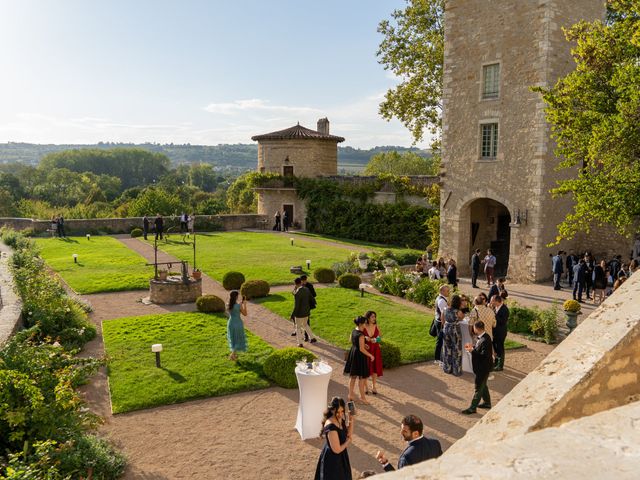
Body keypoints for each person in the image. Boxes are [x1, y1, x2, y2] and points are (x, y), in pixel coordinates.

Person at [375, 415, 442, 471]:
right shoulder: (435, 443)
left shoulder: (406, 456)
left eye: (405, 431)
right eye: (401, 429)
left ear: (416, 433)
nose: (401, 432)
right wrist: (385, 462)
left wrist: (386, 465)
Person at [315, 396, 353, 480]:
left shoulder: (340, 419)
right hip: (332, 460)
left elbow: (348, 434)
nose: (340, 414)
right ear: (332, 410)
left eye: (342, 411)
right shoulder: (330, 426)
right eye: (337, 412)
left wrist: (351, 419)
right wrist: (348, 441)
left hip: (341, 457)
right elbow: (337, 449)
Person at [462, 320, 494, 414]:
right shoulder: (484, 337)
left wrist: (472, 351)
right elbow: (480, 350)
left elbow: (484, 355)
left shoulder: (485, 340)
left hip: (483, 368)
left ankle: (473, 407)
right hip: (482, 367)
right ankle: (487, 403)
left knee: (478, 387)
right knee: (483, 385)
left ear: (476, 328)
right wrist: (473, 348)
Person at [344, 316, 375, 405]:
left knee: (353, 376)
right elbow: (361, 349)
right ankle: (362, 398)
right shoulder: (361, 335)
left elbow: (351, 340)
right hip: (359, 356)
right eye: (365, 323)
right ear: (361, 324)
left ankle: (350, 395)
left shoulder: (354, 330)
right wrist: (370, 355)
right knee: (362, 378)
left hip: (353, 353)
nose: (366, 324)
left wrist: (363, 344)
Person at [442, 294, 464, 376]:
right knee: (457, 349)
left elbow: (442, 319)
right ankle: (456, 370)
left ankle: (447, 368)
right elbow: (461, 318)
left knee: (447, 349)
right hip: (455, 330)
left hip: (446, 328)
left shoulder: (445, 309)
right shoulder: (458, 311)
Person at [291, 277, 317, 347]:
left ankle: (300, 343)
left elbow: (297, 305)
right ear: (301, 282)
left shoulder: (297, 293)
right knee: (305, 325)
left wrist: (293, 314)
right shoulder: (307, 289)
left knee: (298, 327)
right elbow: (312, 298)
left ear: (295, 284)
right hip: (307, 311)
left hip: (299, 313)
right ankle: (312, 338)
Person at [363, 311, 383, 395]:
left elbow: (380, 337)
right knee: (365, 368)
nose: (374, 318)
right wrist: (364, 337)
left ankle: (374, 386)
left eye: (375, 316)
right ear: (368, 318)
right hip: (366, 350)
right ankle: (366, 387)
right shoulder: (363, 326)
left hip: (375, 350)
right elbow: (355, 335)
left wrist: (376, 339)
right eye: (372, 317)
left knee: (375, 368)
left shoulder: (376, 326)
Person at [226, 290, 247, 361]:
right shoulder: (239, 305)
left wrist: (240, 305)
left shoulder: (228, 304)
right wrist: (244, 304)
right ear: (236, 297)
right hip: (238, 323)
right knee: (238, 339)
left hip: (231, 323)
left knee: (233, 339)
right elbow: (245, 314)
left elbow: (234, 309)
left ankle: (234, 356)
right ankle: (232, 355)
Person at [491, 294, 509, 371]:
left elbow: (503, 321)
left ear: (497, 301)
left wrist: (494, 314)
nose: (491, 303)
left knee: (500, 348)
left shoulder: (505, 309)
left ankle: (500, 366)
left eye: (493, 301)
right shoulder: (496, 307)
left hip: (501, 332)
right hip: (494, 332)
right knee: (495, 348)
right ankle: (496, 362)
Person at [433, 285, 450, 365]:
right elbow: (444, 314)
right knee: (440, 341)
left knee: (440, 340)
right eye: (447, 291)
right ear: (442, 291)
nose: (448, 292)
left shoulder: (440, 298)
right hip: (440, 323)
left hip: (438, 320)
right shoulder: (442, 301)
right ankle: (437, 359)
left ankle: (438, 358)